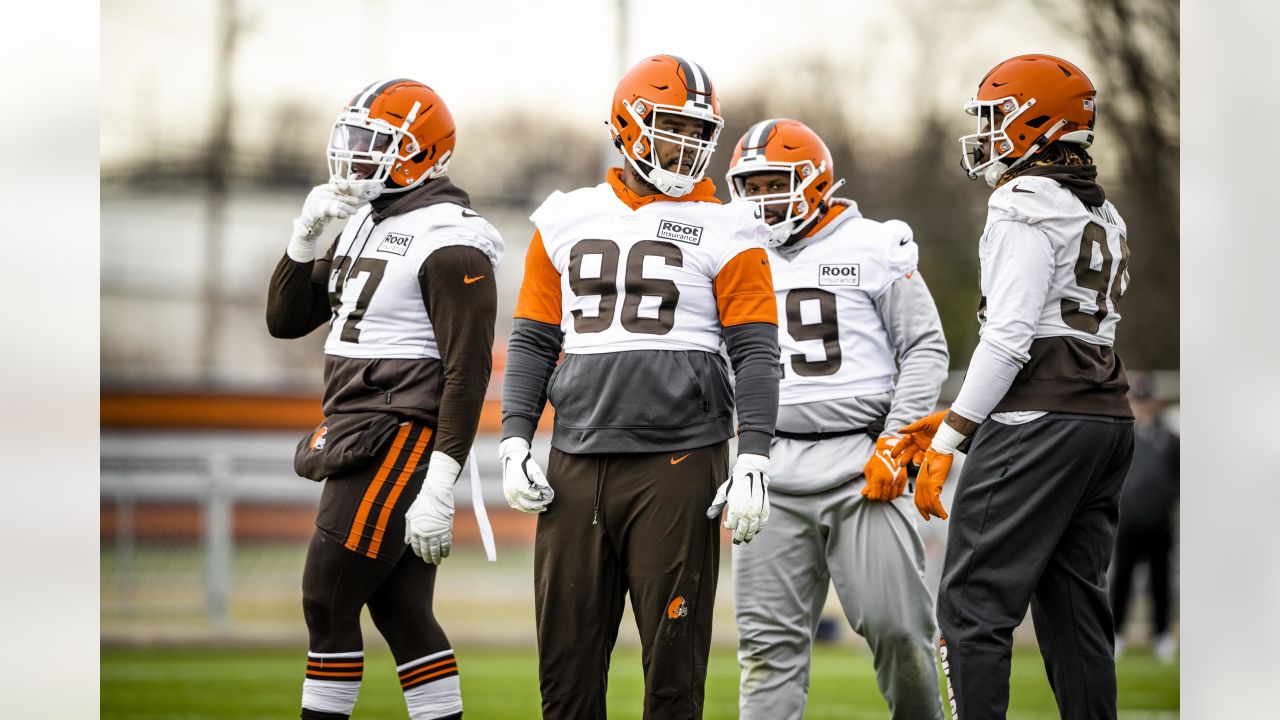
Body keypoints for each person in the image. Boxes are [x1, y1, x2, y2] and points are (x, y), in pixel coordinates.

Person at [498, 54, 780, 720]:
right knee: (565, 676)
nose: (687, 147)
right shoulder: (564, 217)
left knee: (675, 675)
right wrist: (513, 441)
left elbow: (756, 351)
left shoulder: (730, 225)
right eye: (672, 128)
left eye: (697, 133)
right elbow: (535, 339)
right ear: (628, 123)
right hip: (575, 458)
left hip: (678, 460)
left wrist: (755, 456)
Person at [891, 54, 1135, 720]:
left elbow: (1010, 337)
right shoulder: (1102, 211)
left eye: (998, 118)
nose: (989, 133)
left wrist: (951, 435)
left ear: (1036, 120)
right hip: (1105, 422)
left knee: (971, 604)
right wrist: (965, 410)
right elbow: (1069, 339)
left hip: (1039, 424)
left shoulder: (1022, 199)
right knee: (1073, 610)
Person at [265, 78, 502, 720]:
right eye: (353, 140)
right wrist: (304, 236)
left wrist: (441, 479)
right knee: (401, 611)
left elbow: (467, 371)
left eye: (375, 143)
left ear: (424, 154)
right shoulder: (367, 222)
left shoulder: (451, 239)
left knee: (325, 596)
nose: (357, 156)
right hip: (357, 425)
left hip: (399, 430)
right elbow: (286, 321)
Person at [724, 118, 949, 720]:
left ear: (814, 180)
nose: (761, 199)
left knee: (900, 632)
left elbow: (925, 348)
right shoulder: (733, 251)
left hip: (861, 465)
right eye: (750, 185)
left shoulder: (874, 245)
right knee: (767, 650)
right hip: (767, 470)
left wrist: (897, 439)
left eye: (774, 182)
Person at [1110, 371, 1179, 662]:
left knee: (1161, 580)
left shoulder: (1170, 439)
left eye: (1145, 400)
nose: (1141, 406)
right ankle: (1116, 634)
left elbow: (1177, 479)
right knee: (1121, 580)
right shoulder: (1122, 436)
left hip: (1159, 523)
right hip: (1126, 522)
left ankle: (1162, 635)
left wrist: (1166, 503)